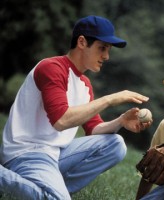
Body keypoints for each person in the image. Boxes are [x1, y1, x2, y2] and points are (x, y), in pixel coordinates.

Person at [0, 15, 151, 200]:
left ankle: (50, 188)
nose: (106, 56)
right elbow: (61, 120)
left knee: (116, 145)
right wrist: (109, 99)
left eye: (108, 50)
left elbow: (94, 129)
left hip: (55, 153)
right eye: (102, 48)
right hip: (27, 153)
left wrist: (121, 121)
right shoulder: (52, 68)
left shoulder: (85, 84)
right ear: (81, 42)